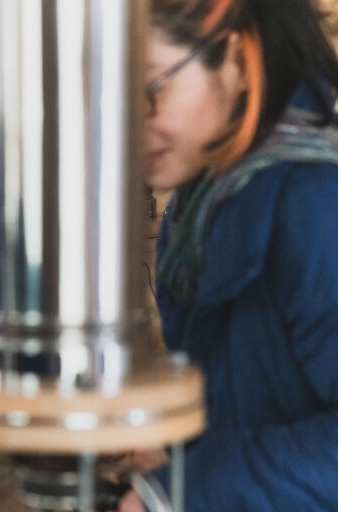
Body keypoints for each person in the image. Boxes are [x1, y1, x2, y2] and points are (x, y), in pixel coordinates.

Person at [116, 0, 338, 510]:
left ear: (238, 60)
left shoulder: (315, 204)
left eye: (151, 90)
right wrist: (173, 449)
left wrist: (179, 492)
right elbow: (262, 403)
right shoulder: (201, 205)